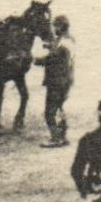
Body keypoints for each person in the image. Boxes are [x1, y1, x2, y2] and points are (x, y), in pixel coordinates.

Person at [35, 15, 74, 148]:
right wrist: (50, 46)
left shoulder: (62, 43)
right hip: (66, 79)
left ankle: (56, 138)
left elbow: (54, 58)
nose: (53, 29)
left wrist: (37, 60)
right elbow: (58, 52)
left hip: (56, 80)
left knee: (50, 111)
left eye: (55, 26)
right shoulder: (69, 39)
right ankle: (62, 136)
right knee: (59, 108)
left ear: (61, 27)